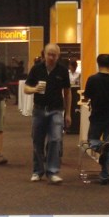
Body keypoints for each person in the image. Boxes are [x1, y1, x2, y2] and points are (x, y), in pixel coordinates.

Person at [23, 43, 71, 183]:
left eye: (54, 55)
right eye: (49, 54)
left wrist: (68, 113)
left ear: (58, 56)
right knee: (37, 141)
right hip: (39, 110)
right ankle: (38, 171)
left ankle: (53, 172)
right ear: (44, 54)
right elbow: (26, 88)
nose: (51, 57)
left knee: (55, 139)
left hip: (56, 110)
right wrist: (35, 89)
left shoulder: (63, 70)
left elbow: (67, 93)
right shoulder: (36, 69)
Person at [82, 53, 109, 184]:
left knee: (92, 142)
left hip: (97, 117)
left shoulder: (92, 79)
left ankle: (101, 148)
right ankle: (104, 175)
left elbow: (86, 97)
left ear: (98, 63)